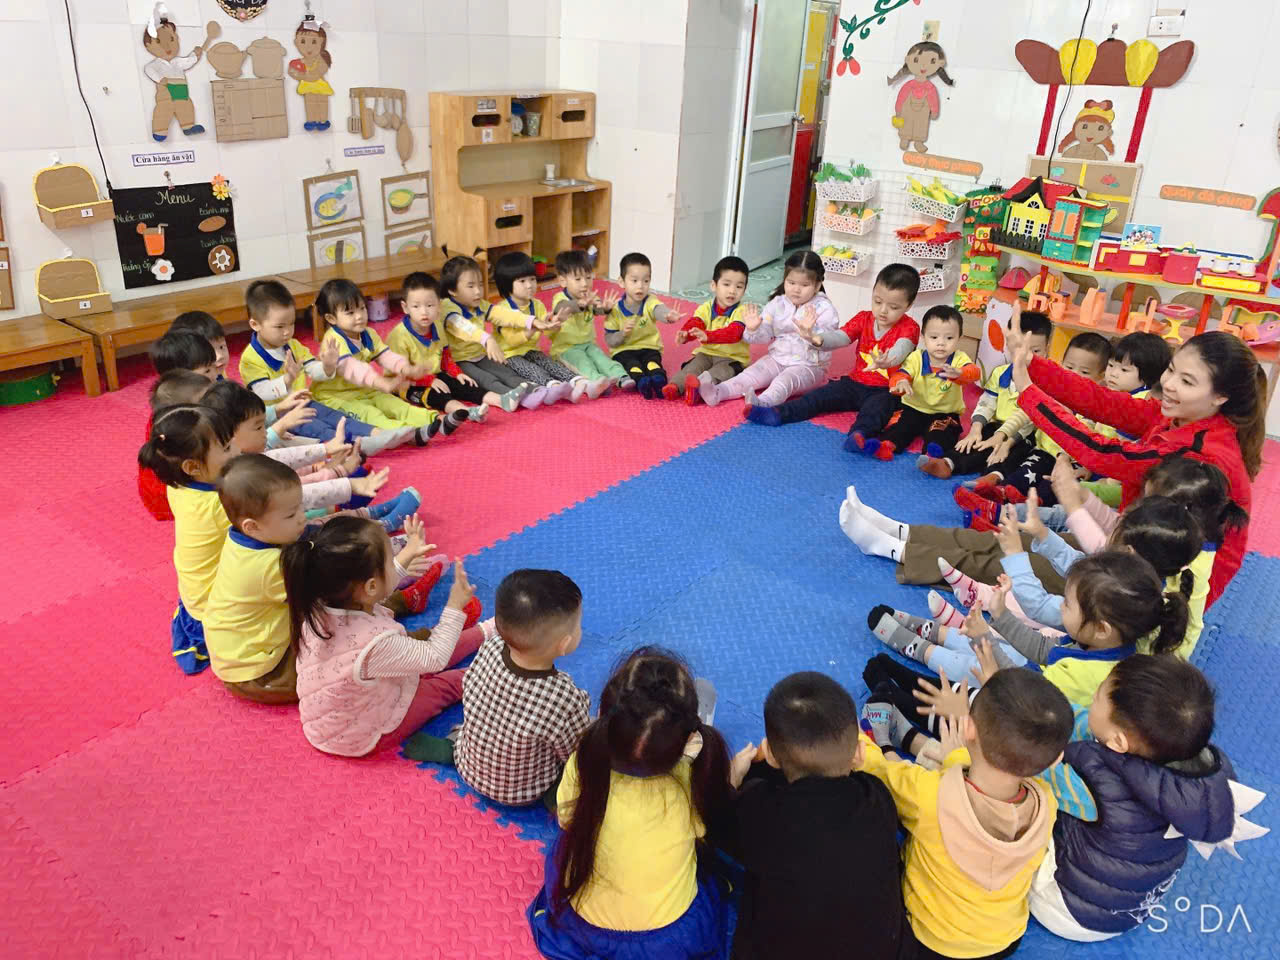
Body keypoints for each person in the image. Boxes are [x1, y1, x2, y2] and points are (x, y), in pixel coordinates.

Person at [1008, 328, 1261, 606]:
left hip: (1160, 592)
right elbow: (1104, 402)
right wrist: (1032, 363)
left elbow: (1101, 452)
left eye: (1186, 381)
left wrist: (1028, 391)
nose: (1169, 384)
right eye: (1171, 370)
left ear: (1219, 397)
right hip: (1134, 544)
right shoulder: (1184, 417)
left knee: (1010, 558)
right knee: (1027, 539)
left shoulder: (1198, 452)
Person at [1029, 656, 1255, 941]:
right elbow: (1087, 722)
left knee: (1024, 798)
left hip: (1070, 911)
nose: (1092, 697)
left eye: (1097, 696)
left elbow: (1039, 773)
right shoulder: (1190, 762)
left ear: (1118, 742)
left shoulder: (1096, 788)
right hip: (1132, 908)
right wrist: (1051, 707)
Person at [526, 647, 733, 959]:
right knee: (711, 874)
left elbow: (566, 819)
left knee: (565, 846)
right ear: (688, 740)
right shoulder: (692, 779)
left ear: (602, 716)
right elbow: (703, 831)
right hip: (663, 943)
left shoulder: (584, 760)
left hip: (582, 925)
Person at [857, 668, 1072, 959]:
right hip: (1003, 939)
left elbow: (880, 774)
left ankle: (886, 743)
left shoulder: (930, 794)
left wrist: (862, 743)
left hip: (932, 941)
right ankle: (911, 741)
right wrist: (957, 754)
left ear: (968, 729)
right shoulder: (1046, 802)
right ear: (1056, 759)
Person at [721, 672, 908, 959]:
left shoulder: (759, 811)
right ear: (859, 752)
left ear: (769, 752)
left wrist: (731, 784)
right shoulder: (876, 796)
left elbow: (719, 826)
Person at [871, 549, 1190, 707]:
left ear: (1102, 628)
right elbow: (1042, 649)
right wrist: (1000, 616)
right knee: (995, 646)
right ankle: (934, 630)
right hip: (1033, 680)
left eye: (1067, 605)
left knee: (965, 666)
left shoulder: (1081, 676)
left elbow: (1015, 684)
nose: (1060, 608)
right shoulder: (1112, 640)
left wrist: (983, 639)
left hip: (1025, 705)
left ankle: (916, 647)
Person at [284, 516, 488, 756]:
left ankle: (490, 630)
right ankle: (495, 674)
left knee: (428, 645)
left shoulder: (324, 600)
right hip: (359, 732)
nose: (396, 563)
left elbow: (378, 587)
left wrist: (409, 551)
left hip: (339, 715)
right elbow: (435, 657)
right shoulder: (373, 642)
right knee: (445, 683)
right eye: (391, 561)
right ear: (370, 585)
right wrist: (454, 607)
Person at [404, 569, 591, 808]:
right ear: (564, 644)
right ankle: (554, 795)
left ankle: (450, 748)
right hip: (520, 793)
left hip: (468, 763)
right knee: (583, 757)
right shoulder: (563, 697)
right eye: (578, 626)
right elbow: (573, 750)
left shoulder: (490, 646)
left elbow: (470, 689)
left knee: (485, 724)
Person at [746, 263, 920, 445]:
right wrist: (816, 338)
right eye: (877, 301)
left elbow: (902, 348)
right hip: (855, 382)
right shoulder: (864, 318)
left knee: (876, 412)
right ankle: (777, 414)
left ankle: (859, 436)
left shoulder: (910, 327)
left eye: (893, 307)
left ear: (908, 305)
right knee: (817, 397)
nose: (883, 310)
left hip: (886, 390)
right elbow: (841, 337)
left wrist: (888, 360)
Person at [241, 279, 409, 452]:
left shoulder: (293, 345)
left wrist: (327, 366)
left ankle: (379, 433)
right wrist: (287, 380)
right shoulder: (250, 359)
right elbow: (261, 392)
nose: (287, 332)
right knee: (319, 428)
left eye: (291, 324)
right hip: (279, 415)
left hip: (304, 402)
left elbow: (313, 369)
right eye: (279, 326)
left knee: (338, 417)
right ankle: (358, 444)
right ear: (255, 324)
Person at [138, 404, 239, 674]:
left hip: (194, 593)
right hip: (215, 608)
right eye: (227, 448)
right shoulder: (217, 506)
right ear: (193, 466)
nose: (239, 451)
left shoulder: (179, 485)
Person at [965, 331, 1110, 505]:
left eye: (1084, 371)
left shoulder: (1094, 406)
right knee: (1023, 473)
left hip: (1073, 460)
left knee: (1055, 488)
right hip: (1044, 451)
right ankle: (1001, 494)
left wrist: (1081, 465)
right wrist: (1001, 434)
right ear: (1061, 363)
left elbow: (1085, 436)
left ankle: (1032, 508)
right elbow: (1026, 412)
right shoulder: (1054, 391)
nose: (1074, 375)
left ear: (1101, 377)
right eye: (1069, 367)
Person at [918, 305, 1052, 480]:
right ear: (1008, 345)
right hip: (996, 425)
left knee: (1015, 453)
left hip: (1025, 433)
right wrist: (976, 429)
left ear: (1047, 348)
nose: (1025, 356)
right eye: (1019, 349)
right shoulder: (1000, 373)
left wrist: (1004, 440)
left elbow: (1030, 419)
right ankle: (948, 463)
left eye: (1035, 351)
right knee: (974, 443)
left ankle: (993, 477)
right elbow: (987, 402)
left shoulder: (1047, 381)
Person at [311, 279, 449, 444]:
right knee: (371, 414)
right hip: (335, 398)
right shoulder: (333, 341)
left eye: (362, 308)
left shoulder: (368, 333)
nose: (359, 316)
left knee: (395, 404)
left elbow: (385, 355)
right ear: (331, 318)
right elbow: (352, 368)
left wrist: (406, 368)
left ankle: (436, 419)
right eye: (350, 313)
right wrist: (381, 382)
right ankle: (409, 433)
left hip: (364, 390)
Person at [698, 250, 840, 409]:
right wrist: (753, 329)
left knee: (784, 380)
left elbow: (832, 343)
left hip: (809, 366)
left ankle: (762, 403)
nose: (796, 289)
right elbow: (764, 336)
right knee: (752, 373)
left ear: (817, 285)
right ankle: (718, 392)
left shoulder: (825, 309)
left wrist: (811, 336)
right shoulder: (777, 304)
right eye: (791, 283)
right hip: (777, 358)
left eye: (804, 285)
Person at [387, 271, 522, 418]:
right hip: (404, 382)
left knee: (464, 384)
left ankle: (502, 400)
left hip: (433, 374)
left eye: (430, 305)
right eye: (416, 306)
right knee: (436, 395)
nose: (424, 312)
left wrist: (457, 373)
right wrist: (428, 381)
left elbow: (445, 355)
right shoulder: (399, 336)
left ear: (439, 305)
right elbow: (401, 371)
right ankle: (467, 412)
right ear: (405, 307)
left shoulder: (437, 326)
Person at [488, 252, 609, 406]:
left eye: (532, 279)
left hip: (531, 350)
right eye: (522, 281)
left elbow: (548, 333)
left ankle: (581, 383)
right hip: (509, 356)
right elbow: (512, 341)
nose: (529, 285)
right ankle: (553, 387)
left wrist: (556, 323)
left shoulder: (537, 305)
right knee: (532, 369)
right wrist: (534, 328)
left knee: (550, 364)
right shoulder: (501, 310)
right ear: (507, 284)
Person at [860, 305, 978, 462]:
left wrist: (960, 373)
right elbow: (901, 374)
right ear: (923, 337)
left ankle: (931, 455)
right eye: (934, 337)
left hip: (945, 413)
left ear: (959, 338)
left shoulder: (959, 359)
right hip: (914, 409)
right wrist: (901, 382)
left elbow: (975, 372)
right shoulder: (917, 357)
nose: (941, 343)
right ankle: (886, 446)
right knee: (901, 427)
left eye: (949, 338)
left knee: (944, 433)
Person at [1081, 331, 1173, 507]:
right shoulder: (1112, 391)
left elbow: (1128, 453)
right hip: (1098, 463)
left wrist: (1108, 481)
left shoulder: (1139, 404)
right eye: (1111, 365)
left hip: (1117, 477)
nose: (1113, 374)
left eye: (1124, 370)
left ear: (1147, 377)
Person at [439, 254, 531, 397]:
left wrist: (530, 321)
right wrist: (487, 339)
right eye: (471, 286)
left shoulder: (479, 304)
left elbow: (502, 314)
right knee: (486, 379)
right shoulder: (447, 308)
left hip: (479, 355)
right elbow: (463, 327)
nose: (478, 291)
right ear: (452, 290)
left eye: (480, 285)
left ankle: (533, 390)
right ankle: (512, 396)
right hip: (459, 361)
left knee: (505, 371)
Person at [666, 255, 751, 404]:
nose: (732, 291)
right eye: (726, 284)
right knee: (691, 368)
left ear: (744, 290)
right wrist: (686, 334)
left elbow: (734, 333)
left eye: (739, 287)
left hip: (731, 358)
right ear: (713, 285)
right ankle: (674, 387)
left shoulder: (742, 311)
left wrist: (708, 336)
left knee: (716, 374)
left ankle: (696, 391)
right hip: (706, 353)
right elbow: (696, 323)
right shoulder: (706, 308)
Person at [548, 249, 631, 390]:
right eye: (578, 279)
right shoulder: (560, 299)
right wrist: (580, 304)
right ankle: (596, 381)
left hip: (588, 344)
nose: (585, 284)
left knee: (601, 358)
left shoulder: (590, 296)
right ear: (563, 281)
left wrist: (606, 308)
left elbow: (597, 309)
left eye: (588, 277)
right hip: (566, 349)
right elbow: (563, 308)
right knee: (583, 363)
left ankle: (620, 376)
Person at [604, 252, 683, 398]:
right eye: (634, 281)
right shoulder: (614, 310)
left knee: (652, 363)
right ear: (622, 282)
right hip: (624, 350)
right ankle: (641, 382)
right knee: (632, 365)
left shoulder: (650, 301)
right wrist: (622, 333)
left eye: (646, 281)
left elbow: (658, 309)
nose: (640, 286)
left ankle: (659, 381)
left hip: (649, 347)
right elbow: (610, 340)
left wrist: (668, 316)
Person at [169, 310, 228, 380]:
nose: (220, 356)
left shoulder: (218, 371)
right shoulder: (195, 383)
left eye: (221, 347)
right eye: (209, 352)